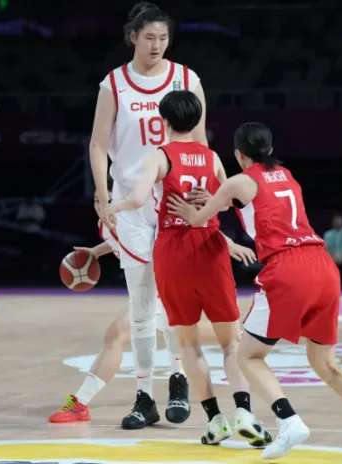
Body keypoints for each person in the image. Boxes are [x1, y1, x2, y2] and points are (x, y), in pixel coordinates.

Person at [166, 122, 342, 461]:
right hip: (322, 267)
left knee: (248, 356)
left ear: (238, 155)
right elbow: (251, 200)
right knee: (326, 363)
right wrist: (218, 199)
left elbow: (200, 219)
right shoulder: (287, 175)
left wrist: (191, 211)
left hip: (288, 269)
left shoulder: (237, 181)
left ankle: (288, 421)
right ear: (271, 150)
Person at [106, 91, 272, 448]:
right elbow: (226, 202)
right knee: (231, 343)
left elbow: (137, 199)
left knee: (188, 342)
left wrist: (111, 206)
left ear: (164, 121)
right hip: (210, 247)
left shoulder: (159, 155)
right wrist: (211, 205)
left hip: (172, 250)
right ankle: (244, 413)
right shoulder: (211, 157)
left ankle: (215, 420)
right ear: (197, 121)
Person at [89, 2, 208, 429]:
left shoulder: (187, 79)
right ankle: (144, 396)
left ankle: (178, 380)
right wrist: (103, 196)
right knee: (141, 305)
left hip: (176, 200)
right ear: (133, 37)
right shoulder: (114, 83)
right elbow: (98, 144)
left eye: (163, 38)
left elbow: (199, 142)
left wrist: (202, 192)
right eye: (150, 37)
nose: (157, 45)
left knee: (175, 299)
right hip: (131, 204)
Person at [49, 189, 188, 423]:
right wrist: (96, 251)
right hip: (152, 288)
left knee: (119, 334)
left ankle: (81, 404)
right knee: (121, 335)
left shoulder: (141, 214)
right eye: (97, 200)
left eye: (106, 200)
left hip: (170, 283)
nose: (101, 205)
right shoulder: (105, 226)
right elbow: (118, 241)